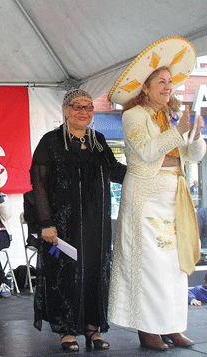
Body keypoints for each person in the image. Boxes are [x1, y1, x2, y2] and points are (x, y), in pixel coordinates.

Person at [108, 36, 205, 351]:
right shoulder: (133, 116)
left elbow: (190, 156)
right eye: (160, 82)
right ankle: (147, 329)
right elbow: (147, 151)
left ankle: (172, 325)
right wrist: (177, 132)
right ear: (145, 88)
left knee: (173, 264)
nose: (168, 86)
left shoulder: (169, 116)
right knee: (149, 264)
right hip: (145, 199)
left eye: (170, 81)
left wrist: (195, 135)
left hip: (173, 197)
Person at [31, 88, 126, 351]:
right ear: (65, 110)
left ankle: (92, 328)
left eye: (88, 107)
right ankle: (67, 331)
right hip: (62, 225)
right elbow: (38, 184)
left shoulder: (99, 141)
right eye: (77, 107)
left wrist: (150, 171)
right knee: (65, 274)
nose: (83, 112)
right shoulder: (50, 142)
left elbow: (116, 172)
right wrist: (46, 222)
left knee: (96, 271)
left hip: (97, 223)